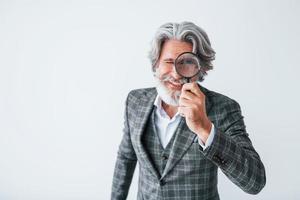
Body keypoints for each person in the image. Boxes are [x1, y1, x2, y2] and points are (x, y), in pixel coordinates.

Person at [111, 21, 266, 200]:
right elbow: (126, 158)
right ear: (156, 65)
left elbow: (255, 183)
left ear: (201, 69)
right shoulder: (135, 100)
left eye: (187, 63)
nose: (177, 74)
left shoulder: (224, 108)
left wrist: (205, 128)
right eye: (169, 61)